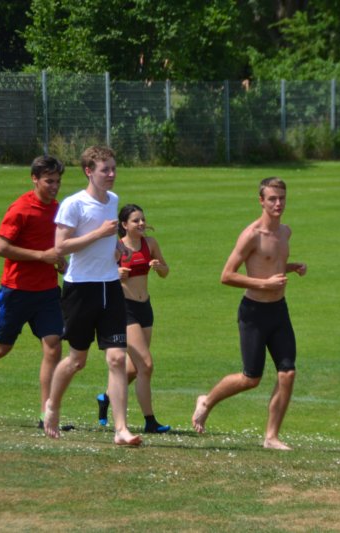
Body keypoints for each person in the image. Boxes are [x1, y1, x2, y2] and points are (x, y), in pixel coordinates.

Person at [192, 177, 306, 451]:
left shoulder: (285, 232)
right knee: (250, 378)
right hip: (253, 312)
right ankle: (207, 401)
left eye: (282, 198)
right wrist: (264, 284)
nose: (278, 204)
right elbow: (226, 275)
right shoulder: (251, 234)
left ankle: (271, 437)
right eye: (272, 199)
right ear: (261, 201)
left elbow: (270, 263)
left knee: (287, 373)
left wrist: (291, 267)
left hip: (279, 310)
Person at [42, 145, 142, 446]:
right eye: (105, 169)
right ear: (89, 171)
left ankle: (121, 429)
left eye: (113, 168)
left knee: (117, 358)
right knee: (77, 360)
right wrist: (99, 234)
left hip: (110, 286)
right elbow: (60, 247)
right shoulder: (73, 204)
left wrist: (116, 246)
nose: (111, 174)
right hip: (80, 289)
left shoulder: (113, 200)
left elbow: (107, 238)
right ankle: (52, 405)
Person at [0, 156, 67, 428]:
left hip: (48, 292)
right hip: (16, 291)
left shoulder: (58, 209)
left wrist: (59, 261)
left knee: (53, 346)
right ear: (34, 179)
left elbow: (53, 245)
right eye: (49, 181)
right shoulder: (20, 209)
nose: (55, 186)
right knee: (1, 347)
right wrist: (41, 256)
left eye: (57, 181)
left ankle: (46, 414)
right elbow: (1, 247)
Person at [96, 204, 171, 434]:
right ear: (124, 225)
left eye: (142, 219)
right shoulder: (116, 247)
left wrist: (159, 267)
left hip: (144, 307)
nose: (141, 224)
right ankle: (150, 421)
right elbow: (98, 276)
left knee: (134, 369)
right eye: (136, 221)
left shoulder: (150, 244)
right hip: (124, 309)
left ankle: (105, 398)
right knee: (145, 365)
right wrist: (115, 274)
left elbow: (166, 271)